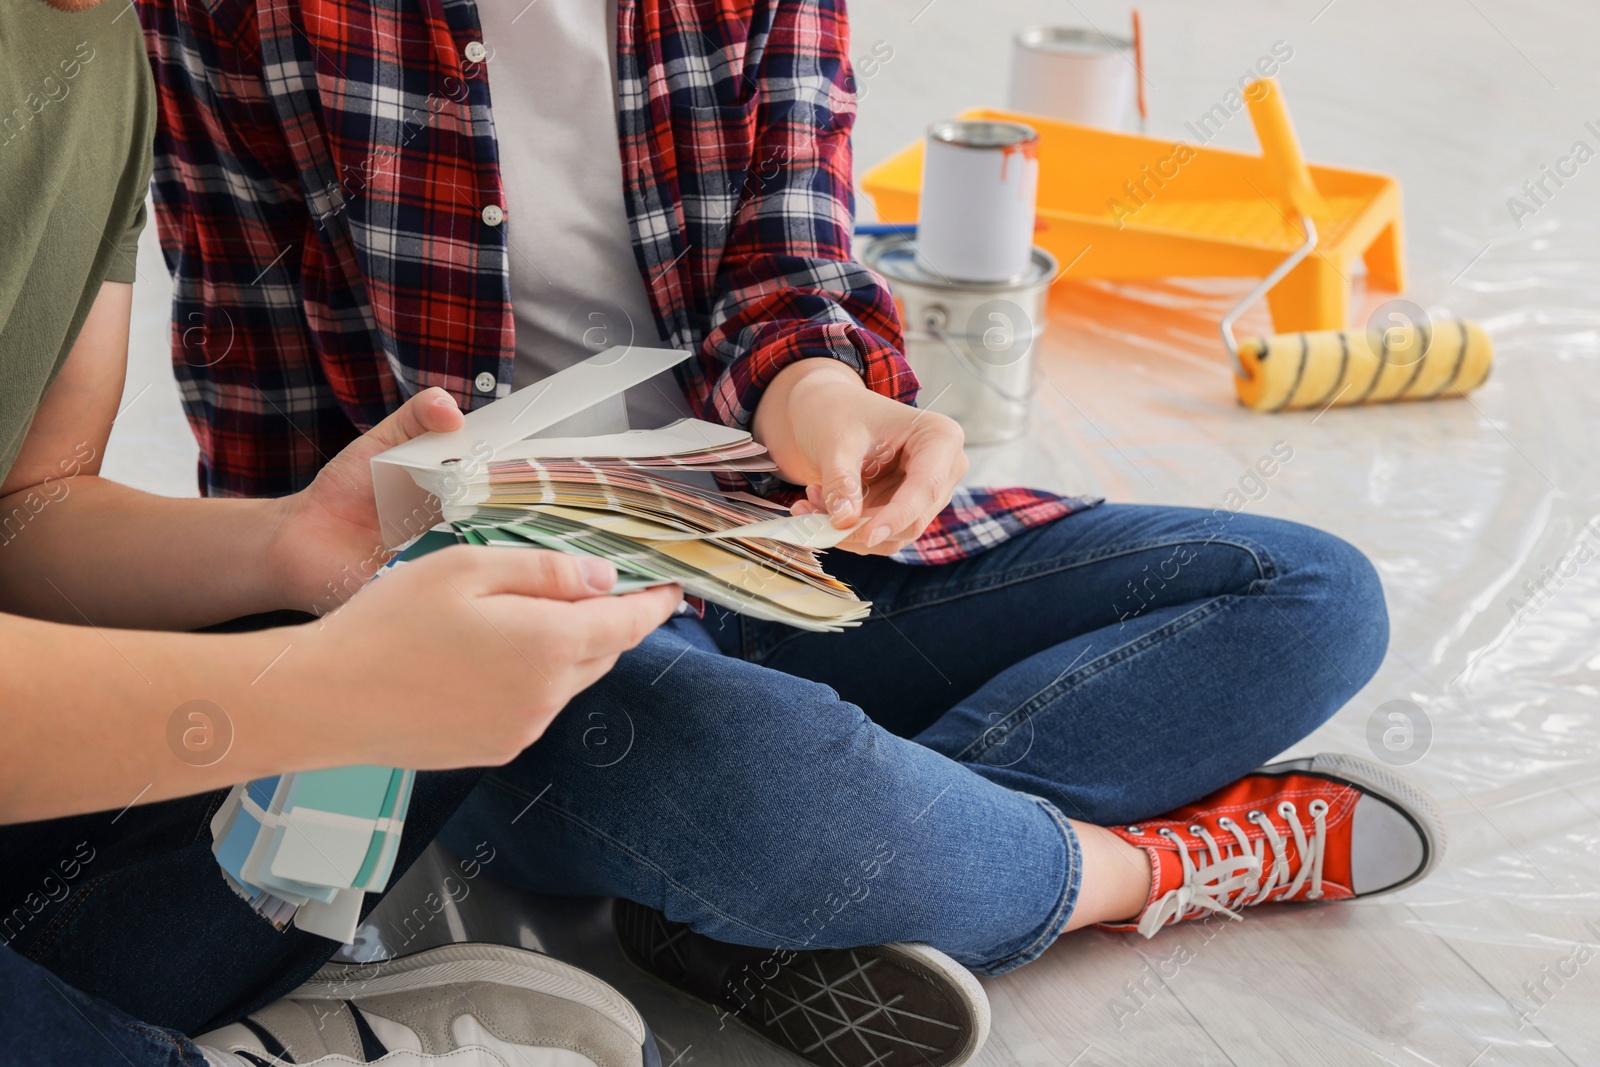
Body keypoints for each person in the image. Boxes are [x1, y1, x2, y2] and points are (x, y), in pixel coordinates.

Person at [130, 1, 1450, 1065]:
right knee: (753, 773)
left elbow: (790, 266)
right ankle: (1140, 865)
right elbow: (261, 401)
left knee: (1313, 595)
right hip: (503, 614)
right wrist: (337, 650)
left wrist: (829, 400)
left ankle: (796, 889)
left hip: (762, 531)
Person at [0, 2, 680, 1065]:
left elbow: (24, 512)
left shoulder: (100, 47)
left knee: (437, 637)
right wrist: (326, 690)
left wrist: (288, 541)